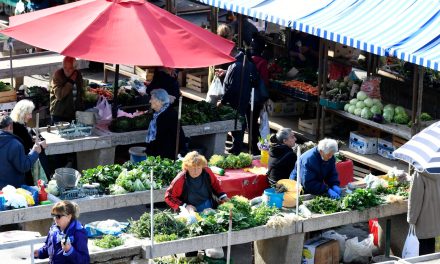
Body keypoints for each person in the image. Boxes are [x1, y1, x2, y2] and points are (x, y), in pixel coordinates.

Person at [218, 50, 258, 154]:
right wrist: (226, 72)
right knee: (239, 121)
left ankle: (236, 149)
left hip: (236, 100)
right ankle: (236, 146)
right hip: (244, 98)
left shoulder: (236, 65)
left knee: (236, 122)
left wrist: (223, 101)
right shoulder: (246, 63)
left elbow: (233, 86)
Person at [165, 151, 229, 213]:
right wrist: (184, 206)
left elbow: (215, 184)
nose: (196, 172)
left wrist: (223, 196)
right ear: (187, 167)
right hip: (190, 210)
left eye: (198, 168)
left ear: (202, 167)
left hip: (208, 204)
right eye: (192, 168)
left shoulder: (207, 172)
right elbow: (169, 196)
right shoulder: (180, 179)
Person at [10, 99, 49, 185]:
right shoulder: (19, 128)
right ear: (22, 113)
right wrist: (41, 145)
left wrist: (32, 138)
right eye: (29, 114)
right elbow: (27, 145)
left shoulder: (16, 124)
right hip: (23, 166)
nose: (31, 116)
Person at [0, 113, 41, 188]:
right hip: (13, 189)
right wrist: (35, 152)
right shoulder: (15, 144)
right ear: (10, 126)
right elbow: (24, 167)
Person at [145, 89, 185, 160]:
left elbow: (177, 135)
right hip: (160, 153)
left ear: (159, 101)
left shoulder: (168, 115)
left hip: (166, 155)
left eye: (151, 99)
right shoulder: (158, 114)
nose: (149, 101)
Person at [407, 171, 440, 255]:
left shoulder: (419, 174)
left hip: (423, 221)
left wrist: (411, 220)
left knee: (421, 252)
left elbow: (415, 200)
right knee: (430, 251)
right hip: (436, 219)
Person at [49, 56, 84, 124]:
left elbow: (80, 92)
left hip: (74, 113)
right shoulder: (58, 75)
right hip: (59, 113)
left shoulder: (78, 74)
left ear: (74, 68)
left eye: (70, 68)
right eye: (65, 67)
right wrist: (70, 82)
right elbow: (59, 95)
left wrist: (81, 109)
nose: (67, 70)